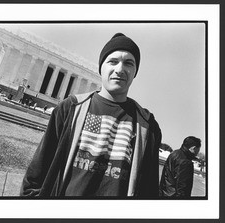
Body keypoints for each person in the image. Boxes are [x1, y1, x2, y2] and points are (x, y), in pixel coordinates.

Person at [20, 33, 162, 197]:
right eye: (113, 61)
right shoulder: (70, 108)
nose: (120, 69)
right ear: (101, 67)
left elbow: (149, 190)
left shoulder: (147, 125)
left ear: (135, 71)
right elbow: (38, 169)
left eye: (129, 63)